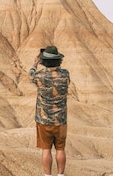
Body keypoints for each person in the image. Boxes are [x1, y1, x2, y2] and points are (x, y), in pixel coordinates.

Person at [29, 45, 70, 176]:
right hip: (61, 120)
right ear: (59, 60)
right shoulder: (65, 75)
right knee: (60, 149)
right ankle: (60, 175)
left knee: (46, 150)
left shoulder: (39, 76)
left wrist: (35, 64)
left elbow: (30, 75)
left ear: (43, 61)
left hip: (43, 120)